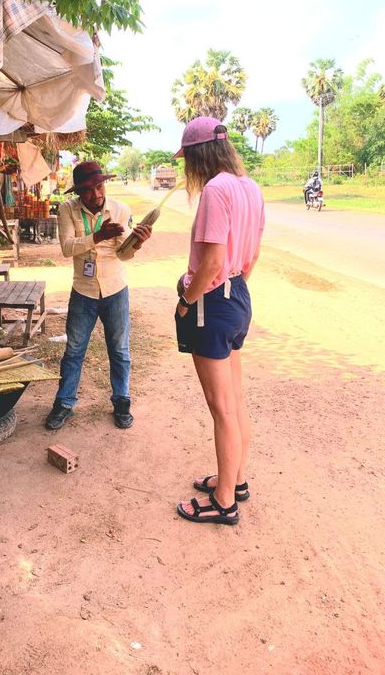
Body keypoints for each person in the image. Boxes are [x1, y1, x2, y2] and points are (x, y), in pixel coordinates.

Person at [173, 117, 264, 526]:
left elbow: (210, 263)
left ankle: (224, 501)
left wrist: (186, 300)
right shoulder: (250, 188)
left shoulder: (215, 190)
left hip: (212, 300)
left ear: (197, 155)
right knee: (235, 401)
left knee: (221, 408)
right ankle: (236, 479)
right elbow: (251, 256)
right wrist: (232, 289)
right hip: (238, 295)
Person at [44, 160, 152, 431]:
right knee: (74, 351)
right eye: (88, 190)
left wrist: (136, 242)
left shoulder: (119, 209)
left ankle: (121, 401)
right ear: (78, 192)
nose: (96, 194)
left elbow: (123, 254)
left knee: (120, 351)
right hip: (83, 291)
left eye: (100, 187)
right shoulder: (67, 210)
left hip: (115, 290)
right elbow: (68, 248)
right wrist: (98, 235)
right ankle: (64, 403)